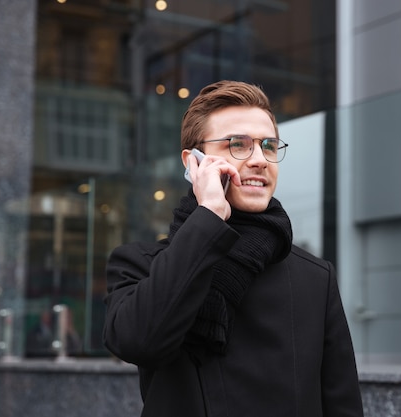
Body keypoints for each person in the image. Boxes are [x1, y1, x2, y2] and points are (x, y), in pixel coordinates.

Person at [103, 80, 364, 416]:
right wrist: (209, 214)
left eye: (268, 146)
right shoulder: (143, 264)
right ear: (193, 162)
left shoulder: (314, 278)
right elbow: (139, 342)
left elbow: (342, 407)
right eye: (237, 145)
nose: (259, 159)